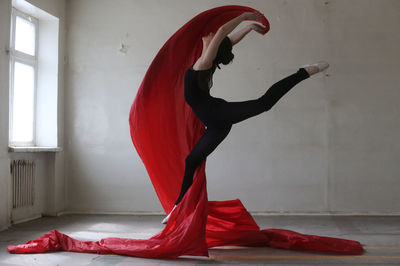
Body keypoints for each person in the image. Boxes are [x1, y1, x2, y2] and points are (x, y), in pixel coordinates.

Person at [162, 11, 329, 224]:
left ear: (214, 44)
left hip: (218, 113)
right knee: (191, 161)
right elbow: (227, 38)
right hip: (216, 126)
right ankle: (177, 208)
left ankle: (303, 72)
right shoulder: (206, 62)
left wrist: (244, 18)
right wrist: (248, 28)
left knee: (264, 103)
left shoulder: (204, 64)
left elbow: (224, 33)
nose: (211, 34)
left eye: (213, 37)